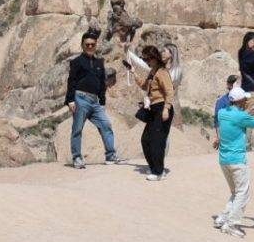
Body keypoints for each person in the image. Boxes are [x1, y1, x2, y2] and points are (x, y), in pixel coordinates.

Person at [213, 85, 254, 237]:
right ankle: (231, 224)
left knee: (235, 192)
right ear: (240, 101)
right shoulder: (241, 117)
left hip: (223, 160)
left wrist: (246, 113)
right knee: (243, 193)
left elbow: (236, 118)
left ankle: (222, 218)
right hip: (237, 161)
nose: (246, 101)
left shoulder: (222, 113)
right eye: (244, 99)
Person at [64, 29, 119, 169]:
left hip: (95, 102)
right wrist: (70, 100)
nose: (90, 47)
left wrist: (102, 101)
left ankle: (111, 155)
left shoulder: (99, 63)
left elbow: (102, 83)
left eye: (92, 44)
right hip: (80, 99)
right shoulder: (76, 62)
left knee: (106, 125)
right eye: (87, 44)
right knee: (77, 129)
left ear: (96, 45)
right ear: (82, 45)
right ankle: (77, 157)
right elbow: (71, 81)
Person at [130, 43, 176, 180]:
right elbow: (145, 86)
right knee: (146, 139)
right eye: (144, 60)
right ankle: (154, 166)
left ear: (155, 58)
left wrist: (166, 109)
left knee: (157, 140)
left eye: (147, 59)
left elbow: (169, 91)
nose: (146, 62)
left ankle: (158, 172)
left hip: (162, 108)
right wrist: (134, 72)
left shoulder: (162, 72)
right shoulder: (153, 72)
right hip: (153, 109)